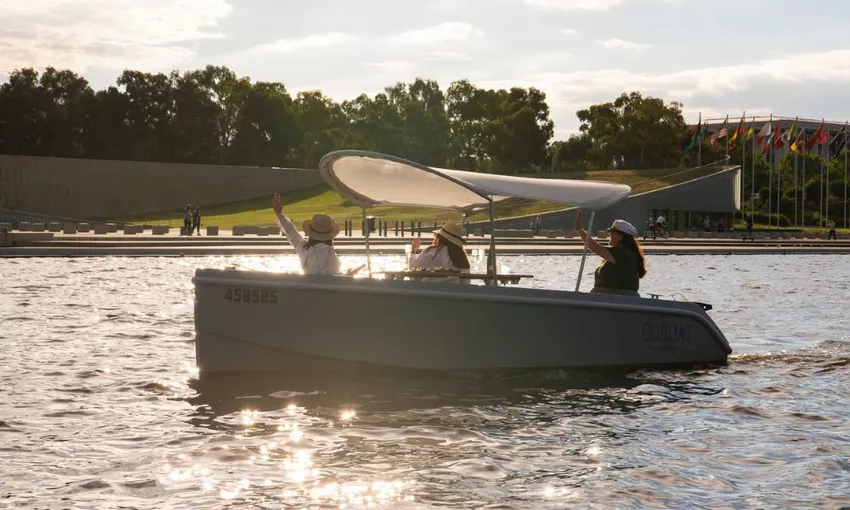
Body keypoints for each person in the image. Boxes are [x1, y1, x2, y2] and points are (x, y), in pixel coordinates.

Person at [574, 211, 647, 296]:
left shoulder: (621, 253)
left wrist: (579, 230)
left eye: (612, 232)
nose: (609, 235)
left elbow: (595, 247)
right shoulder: (629, 252)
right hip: (613, 297)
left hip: (614, 298)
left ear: (620, 236)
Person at [272, 192, 341, 275]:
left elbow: (291, 232)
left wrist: (279, 214)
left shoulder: (303, 249)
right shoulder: (332, 256)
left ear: (311, 232)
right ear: (330, 235)